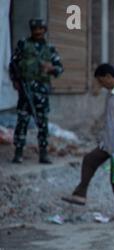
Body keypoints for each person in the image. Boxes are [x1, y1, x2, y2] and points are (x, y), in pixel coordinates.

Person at [62, 64, 114, 221]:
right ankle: (80, 194)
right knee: (89, 160)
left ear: (109, 76)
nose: (101, 84)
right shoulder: (111, 94)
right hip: (108, 143)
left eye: (102, 81)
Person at [10, 19, 64, 164]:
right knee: (22, 122)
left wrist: (51, 68)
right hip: (25, 91)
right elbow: (13, 64)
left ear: (44, 30)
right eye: (35, 29)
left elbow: (60, 69)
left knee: (42, 124)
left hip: (42, 92)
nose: (38, 32)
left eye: (40, 29)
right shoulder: (23, 44)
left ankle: (43, 154)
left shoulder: (50, 49)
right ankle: (18, 153)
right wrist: (15, 81)